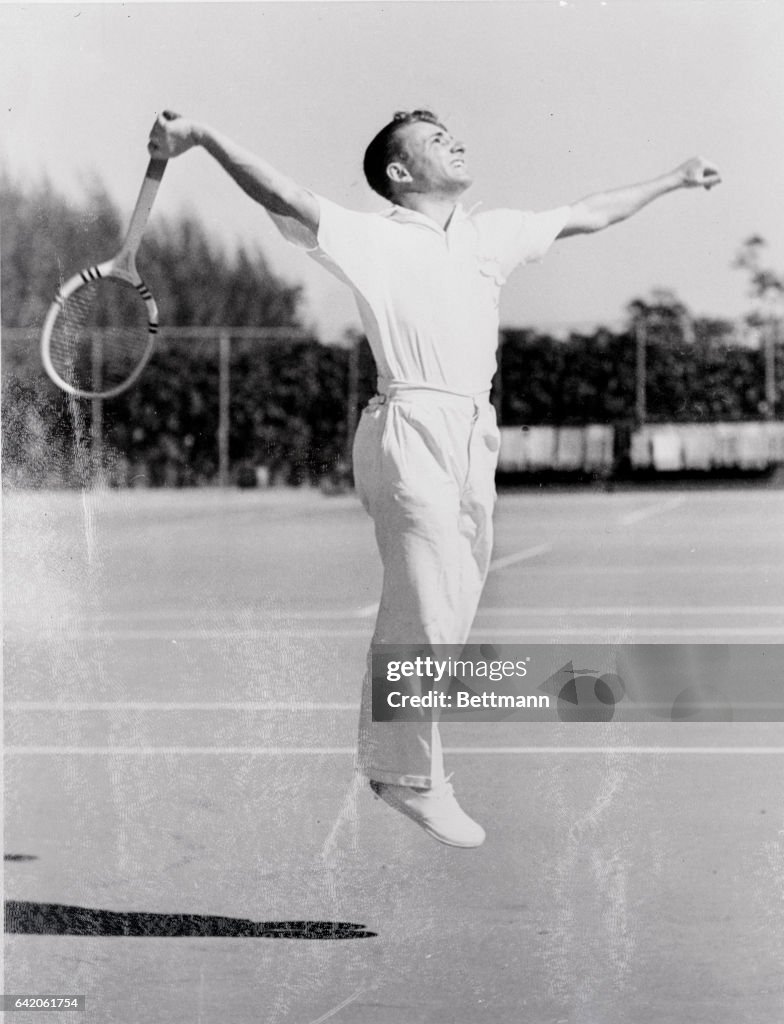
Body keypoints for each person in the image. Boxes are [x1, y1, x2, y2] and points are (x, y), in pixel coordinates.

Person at [148, 109, 721, 848]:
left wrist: (674, 179)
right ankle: (409, 775)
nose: (454, 137)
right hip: (407, 427)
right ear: (399, 172)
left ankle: (400, 763)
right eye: (432, 136)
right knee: (421, 605)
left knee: (446, 617)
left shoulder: (490, 234)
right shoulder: (372, 235)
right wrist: (207, 138)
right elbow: (283, 195)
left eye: (452, 128)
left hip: (472, 437)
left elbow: (588, 214)